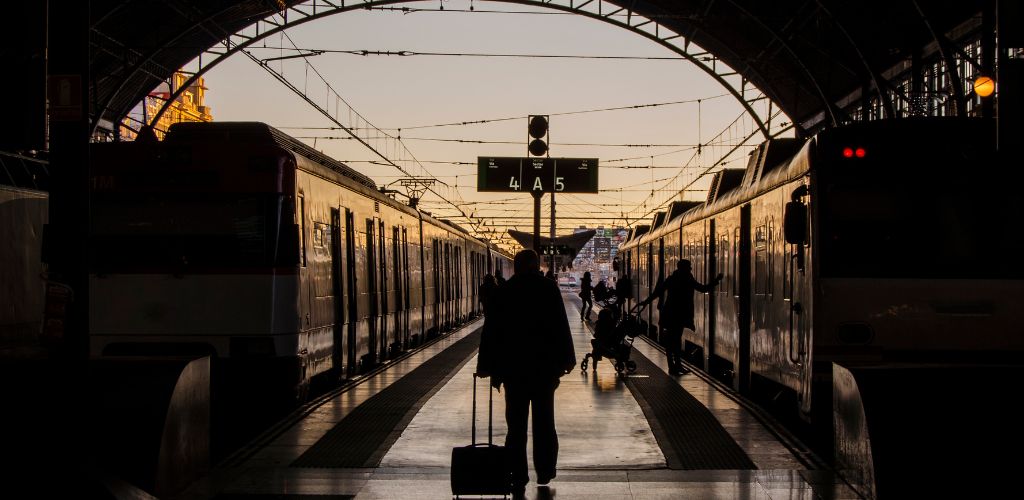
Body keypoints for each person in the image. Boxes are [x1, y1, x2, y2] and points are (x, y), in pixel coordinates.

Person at [476, 249, 576, 495]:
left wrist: (486, 366)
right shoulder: (548, 289)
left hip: (514, 371)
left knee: (516, 426)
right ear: (535, 266)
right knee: (544, 423)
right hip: (543, 370)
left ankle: (517, 473)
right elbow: (560, 326)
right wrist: (567, 359)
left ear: (517, 267)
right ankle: (544, 470)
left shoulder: (505, 292)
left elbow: (492, 331)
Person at [638, 260, 722, 376]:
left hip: (669, 314)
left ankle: (674, 366)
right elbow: (702, 289)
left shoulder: (672, 278)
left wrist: (646, 302)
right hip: (680, 314)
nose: (691, 269)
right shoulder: (687, 278)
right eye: (689, 267)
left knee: (671, 341)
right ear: (685, 268)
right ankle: (675, 366)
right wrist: (716, 281)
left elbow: (658, 292)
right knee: (676, 340)